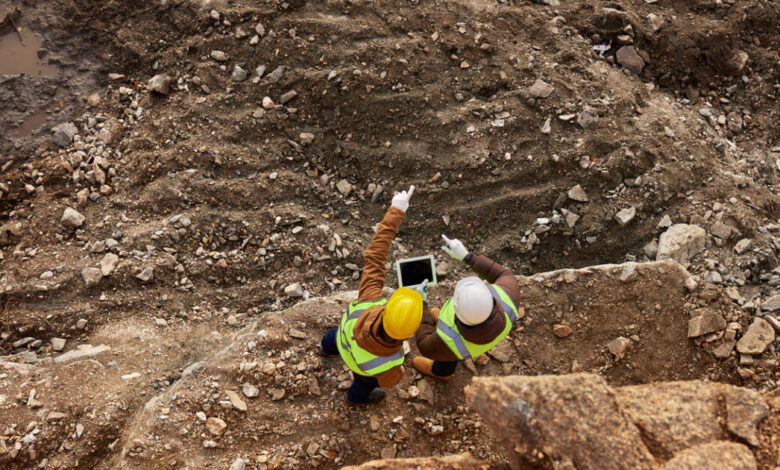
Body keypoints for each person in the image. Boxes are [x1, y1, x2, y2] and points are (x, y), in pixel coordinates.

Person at [320, 186, 423, 404]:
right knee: (364, 386)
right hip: (361, 368)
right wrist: (400, 373)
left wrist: (397, 210)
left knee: (332, 339)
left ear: (388, 308)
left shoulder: (370, 299)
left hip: (343, 338)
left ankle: (326, 349)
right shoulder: (393, 359)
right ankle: (355, 399)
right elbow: (389, 381)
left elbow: (375, 253)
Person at [412, 235, 521, 380]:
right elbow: (502, 273)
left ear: (456, 311)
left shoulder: (449, 342)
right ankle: (441, 325)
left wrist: (421, 304)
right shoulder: (509, 299)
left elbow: (423, 343)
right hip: (483, 337)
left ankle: (442, 373)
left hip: (453, 348)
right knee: (451, 350)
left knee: (447, 357)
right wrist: (468, 257)